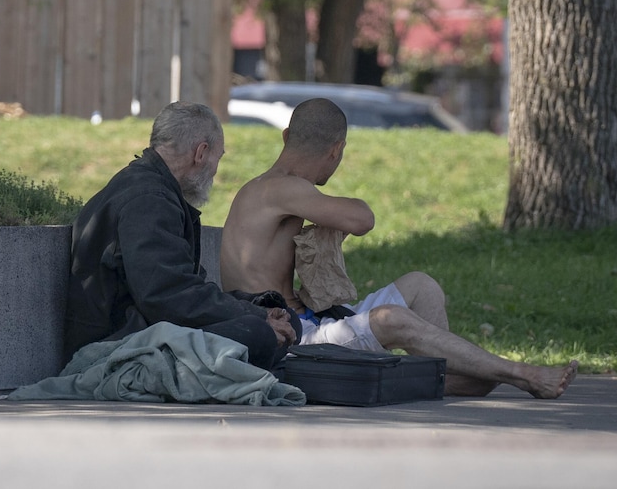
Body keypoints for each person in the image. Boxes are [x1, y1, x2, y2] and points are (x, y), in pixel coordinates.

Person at [220, 98, 578, 399]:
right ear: (337, 150)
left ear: (286, 136)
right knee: (392, 318)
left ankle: (451, 373)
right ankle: (523, 374)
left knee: (421, 286)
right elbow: (362, 219)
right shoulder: (284, 188)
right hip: (295, 340)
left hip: (317, 323)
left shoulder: (267, 189)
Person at [64, 101, 300, 371]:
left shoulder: (154, 190)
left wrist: (260, 308)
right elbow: (167, 296)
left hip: (149, 326)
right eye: (218, 158)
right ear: (201, 153)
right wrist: (255, 317)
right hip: (115, 345)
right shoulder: (148, 199)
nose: (215, 169)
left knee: (284, 320)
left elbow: (184, 287)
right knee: (258, 334)